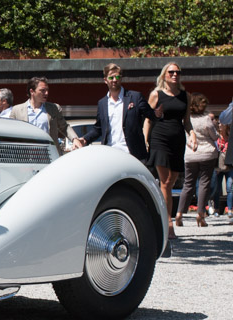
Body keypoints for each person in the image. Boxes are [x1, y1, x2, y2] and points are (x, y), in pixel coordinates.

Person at [145, 62, 197, 239]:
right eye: (171, 72)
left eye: (177, 72)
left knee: (171, 182)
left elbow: (187, 122)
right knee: (165, 181)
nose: (175, 75)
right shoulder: (156, 94)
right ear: (164, 75)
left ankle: (160, 216)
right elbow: (148, 119)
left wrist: (193, 135)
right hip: (160, 139)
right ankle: (168, 223)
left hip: (177, 140)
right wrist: (145, 139)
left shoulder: (185, 96)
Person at [78, 63, 153, 163]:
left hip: (133, 155)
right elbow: (99, 128)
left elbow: (151, 116)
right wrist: (85, 139)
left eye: (117, 76)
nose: (114, 80)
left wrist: (159, 114)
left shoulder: (135, 97)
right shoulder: (102, 103)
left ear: (121, 78)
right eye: (111, 77)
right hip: (110, 154)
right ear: (105, 80)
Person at [173, 93, 218, 227]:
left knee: (188, 184)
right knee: (204, 183)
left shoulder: (186, 119)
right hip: (207, 153)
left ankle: (179, 213)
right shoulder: (206, 119)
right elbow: (214, 137)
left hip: (190, 154)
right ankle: (200, 214)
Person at [10, 76, 83, 153]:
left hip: (49, 154)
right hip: (25, 155)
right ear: (32, 91)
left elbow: (64, 127)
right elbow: (10, 133)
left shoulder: (54, 108)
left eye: (47, 90)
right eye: (42, 90)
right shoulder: (17, 110)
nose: (46, 93)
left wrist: (75, 139)